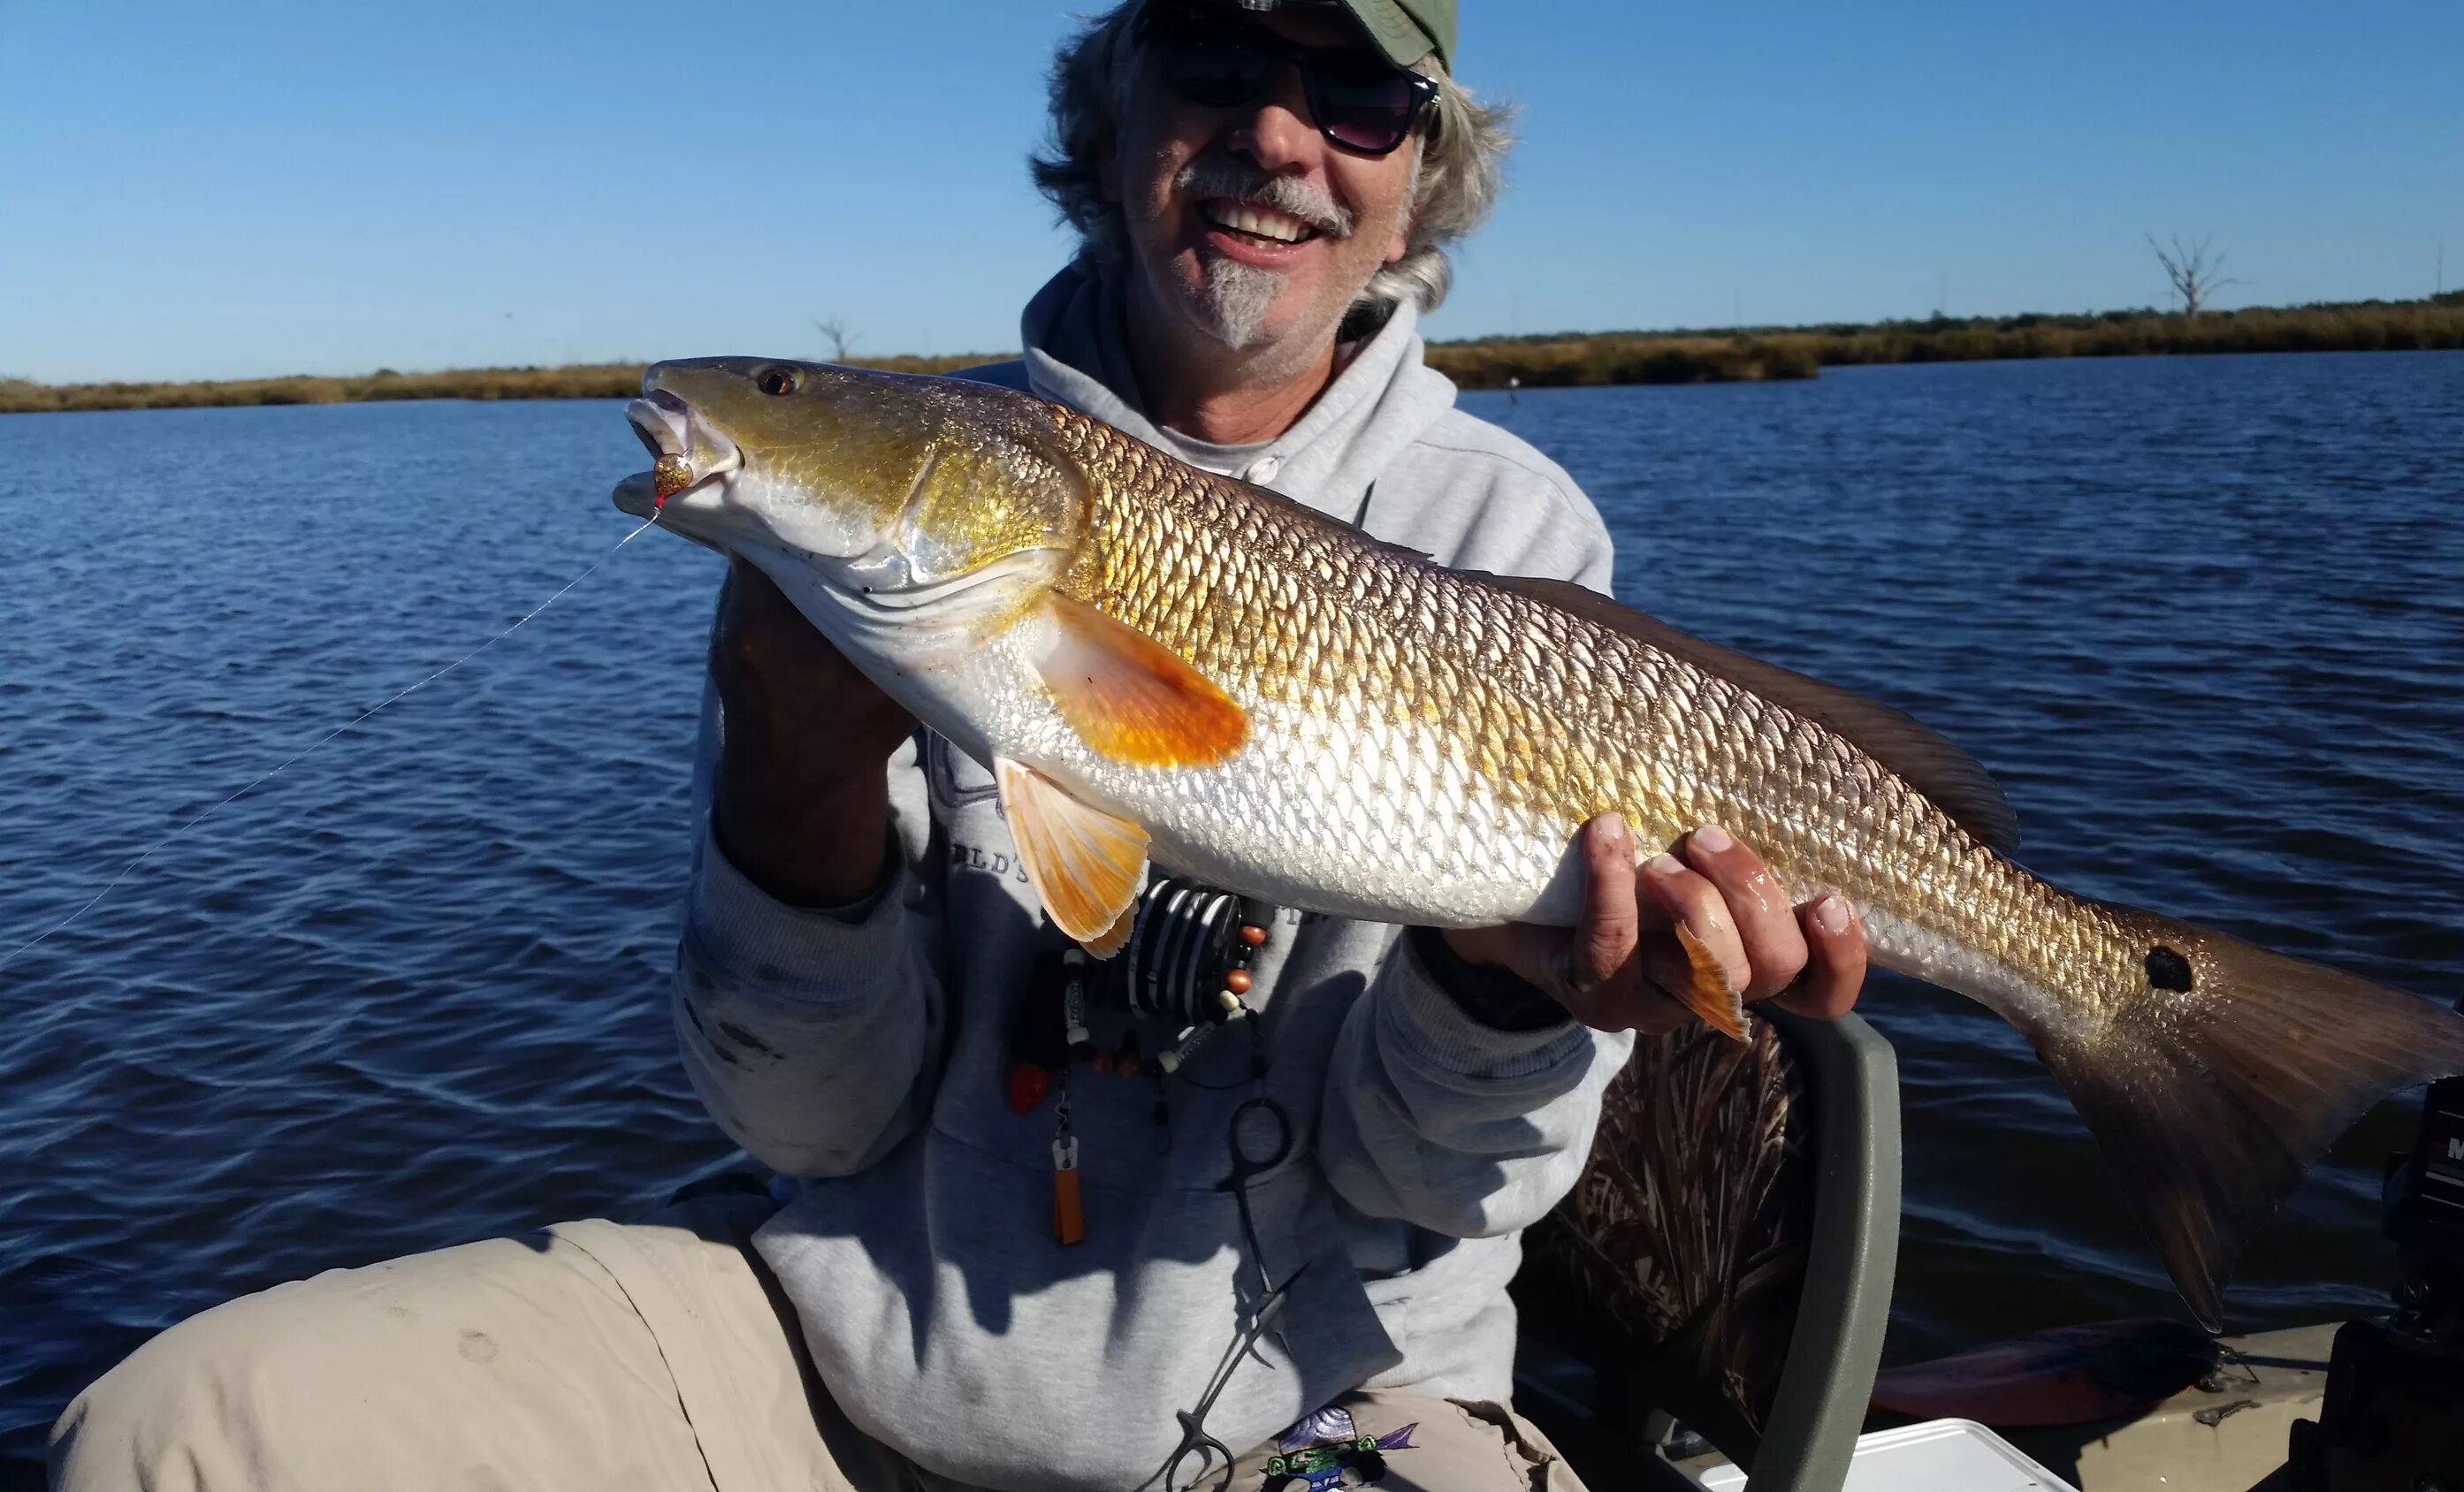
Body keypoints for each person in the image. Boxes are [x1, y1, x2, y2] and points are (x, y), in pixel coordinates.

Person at [50, 3, 1867, 1488]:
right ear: (1111, 119)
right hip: (845, 1374)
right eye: (1219, 58)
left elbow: (1430, 1193)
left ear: (1417, 194)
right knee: (178, 1435)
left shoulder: (1513, 535)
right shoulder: (866, 550)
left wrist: (1499, 989)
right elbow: (802, 1121)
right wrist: (793, 766)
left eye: (1357, 90)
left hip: (1328, 1402)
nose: (1279, 131)